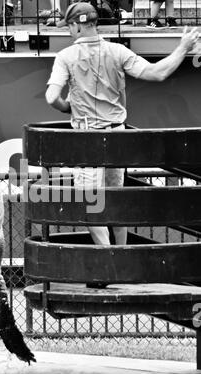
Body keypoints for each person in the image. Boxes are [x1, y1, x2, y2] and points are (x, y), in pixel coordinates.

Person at [46, 1, 199, 246]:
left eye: (69, 26)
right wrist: (183, 47)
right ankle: (122, 257)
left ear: (76, 26)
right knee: (116, 203)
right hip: (117, 137)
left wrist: (69, 107)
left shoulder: (66, 56)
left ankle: (109, 264)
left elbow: (52, 97)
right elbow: (157, 73)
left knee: (92, 204)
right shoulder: (118, 52)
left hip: (87, 138)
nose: (68, 31)